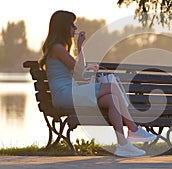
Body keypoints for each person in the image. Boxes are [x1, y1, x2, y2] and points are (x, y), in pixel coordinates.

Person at [39, 10, 156, 157]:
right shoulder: (57, 48)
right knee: (112, 86)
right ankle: (133, 128)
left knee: (112, 99)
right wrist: (82, 52)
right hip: (64, 95)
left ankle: (123, 145)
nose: (75, 28)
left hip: (70, 92)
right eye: (72, 25)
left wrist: (81, 51)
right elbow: (80, 71)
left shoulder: (60, 48)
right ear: (63, 27)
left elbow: (79, 72)